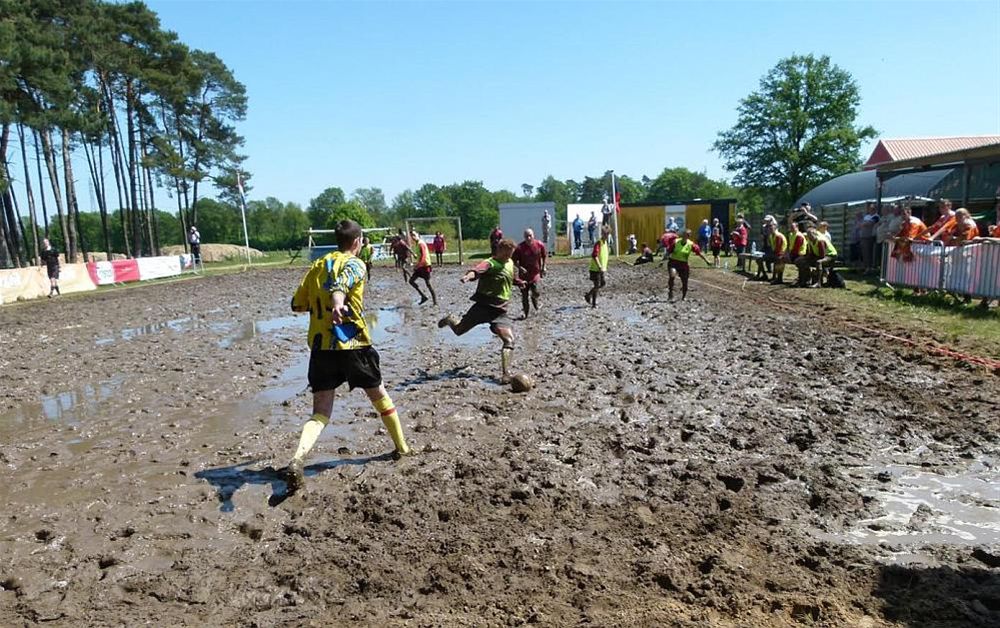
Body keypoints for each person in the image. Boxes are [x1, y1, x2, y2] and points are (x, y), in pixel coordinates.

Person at [285, 219, 412, 493]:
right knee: (380, 397)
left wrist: (320, 304)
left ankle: (297, 459)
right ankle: (402, 448)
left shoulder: (317, 266)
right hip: (353, 344)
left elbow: (297, 304)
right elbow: (340, 286)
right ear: (357, 242)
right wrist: (337, 303)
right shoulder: (356, 264)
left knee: (320, 413)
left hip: (321, 348)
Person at [438, 238, 520, 383]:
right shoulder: (490, 263)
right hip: (482, 307)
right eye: (506, 254)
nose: (508, 257)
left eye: (511, 254)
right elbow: (476, 271)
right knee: (459, 331)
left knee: (509, 341)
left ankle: (506, 374)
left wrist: (519, 282)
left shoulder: (510, 263)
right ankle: (450, 320)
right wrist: (468, 277)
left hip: (500, 311)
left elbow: (510, 277)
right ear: (499, 250)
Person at [666, 229, 711, 301]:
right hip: (673, 262)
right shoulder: (676, 242)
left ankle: (683, 297)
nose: (685, 236)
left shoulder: (691, 244)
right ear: (682, 235)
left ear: (689, 236)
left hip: (683, 264)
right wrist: (665, 257)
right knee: (672, 275)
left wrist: (706, 260)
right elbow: (669, 251)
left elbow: (699, 253)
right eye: (684, 235)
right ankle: (670, 292)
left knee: (685, 281)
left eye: (687, 235)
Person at [511, 228, 547, 319]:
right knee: (524, 295)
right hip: (523, 276)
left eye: (530, 236)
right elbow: (513, 260)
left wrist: (544, 267)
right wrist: (520, 268)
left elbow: (544, 256)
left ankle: (535, 301)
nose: (529, 238)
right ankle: (525, 313)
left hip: (535, 273)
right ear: (524, 237)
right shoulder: (520, 248)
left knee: (535, 291)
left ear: (533, 235)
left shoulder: (539, 244)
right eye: (527, 236)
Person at [408, 230, 437, 305]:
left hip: (425, 266)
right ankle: (423, 296)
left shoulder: (421, 244)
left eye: (414, 235)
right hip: (420, 266)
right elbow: (420, 256)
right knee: (411, 281)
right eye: (411, 236)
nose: (413, 237)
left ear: (418, 235)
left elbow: (424, 257)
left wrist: (418, 265)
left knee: (428, 284)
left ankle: (435, 302)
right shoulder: (416, 244)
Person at [584, 226, 610, 308]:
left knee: (602, 283)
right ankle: (594, 304)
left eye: (607, 234)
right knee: (597, 285)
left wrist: (603, 267)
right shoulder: (598, 243)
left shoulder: (605, 243)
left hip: (602, 269)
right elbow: (594, 255)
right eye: (605, 234)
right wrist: (599, 266)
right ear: (602, 234)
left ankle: (588, 295)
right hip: (595, 269)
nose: (606, 235)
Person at [859, 203, 880, 274]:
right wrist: (864, 224)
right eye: (870, 209)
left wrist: (864, 224)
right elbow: (861, 224)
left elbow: (869, 224)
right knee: (864, 253)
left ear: (875, 209)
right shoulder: (866, 216)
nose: (871, 210)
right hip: (863, 236)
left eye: (873, 209)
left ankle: (869, 268)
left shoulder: (876, 216)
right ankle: (865, 267)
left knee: (868, 253)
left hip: (869, 237)